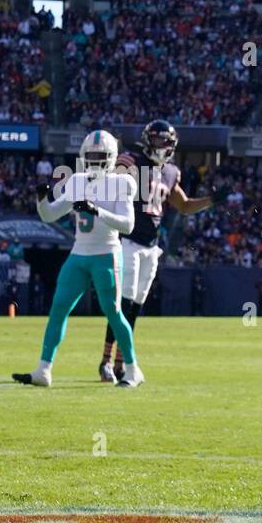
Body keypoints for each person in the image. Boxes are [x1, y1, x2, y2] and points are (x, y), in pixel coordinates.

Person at [12, 130, 144, 388]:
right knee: (58, 309)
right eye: (91, 156)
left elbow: (128, 225)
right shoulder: (76, 181)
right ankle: (43, 370)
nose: (95, 160)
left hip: (106, 253)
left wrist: (97, 210)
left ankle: (132, 369)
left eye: (101, 156)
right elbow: (50, 215)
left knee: (114, 312)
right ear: (83, 156)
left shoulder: (122, 182)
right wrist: (41, 199)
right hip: (79, 254)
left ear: (112, 158)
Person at [99, 120, 223, 383]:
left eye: (166, 141)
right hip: (128, 240)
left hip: (151, 247)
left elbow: (185, 206)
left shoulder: (170, 172)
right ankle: (107, 361)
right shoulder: (131, 161)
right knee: (123, 304)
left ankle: (121, 362)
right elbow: (111, 180)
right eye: (157, 140)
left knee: (134, 307)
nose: (162, 146)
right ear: (147, 140)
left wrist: (213, 200)